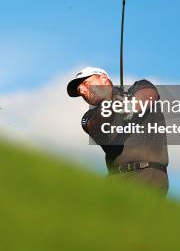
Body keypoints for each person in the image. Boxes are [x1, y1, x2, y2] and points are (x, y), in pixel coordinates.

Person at [67, 67, 169, 195]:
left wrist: (130, 106)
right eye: (79, 90)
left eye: (86, 83)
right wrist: (112, 106)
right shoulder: (89, 117)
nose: (82, 91)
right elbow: (95, 124)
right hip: (116, 180)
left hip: (150, 176)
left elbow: (149, 94)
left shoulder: (140, 88)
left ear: (103, 79)